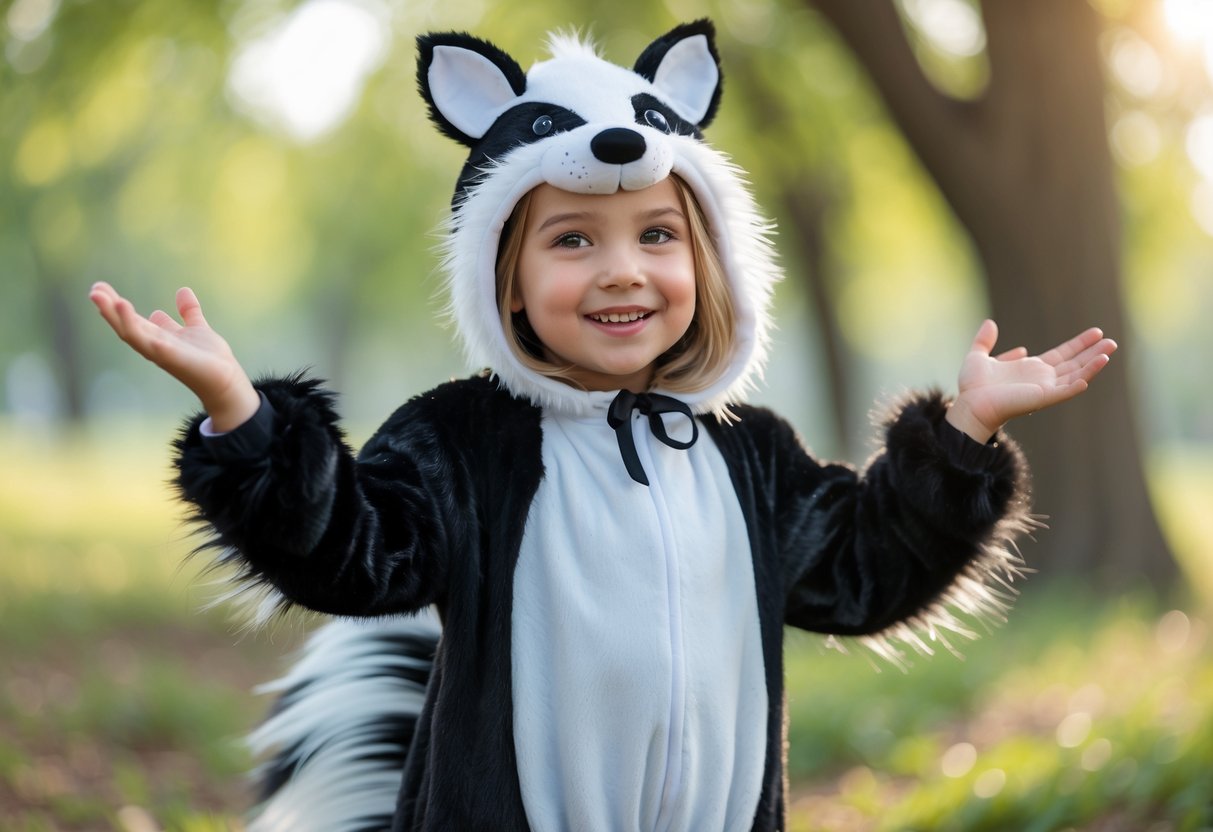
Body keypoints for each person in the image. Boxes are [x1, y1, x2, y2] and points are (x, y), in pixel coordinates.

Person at [89, 19, 1116, 832]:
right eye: (573, 240)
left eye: (657, 235)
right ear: (507, 280)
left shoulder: (747, 453)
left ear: (705, 261)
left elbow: (864, 569)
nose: (622, 271)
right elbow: (349, 551)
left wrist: (963, 432)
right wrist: (243, 417)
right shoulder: (466, 443)